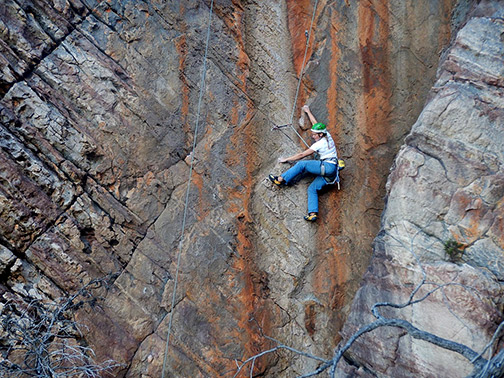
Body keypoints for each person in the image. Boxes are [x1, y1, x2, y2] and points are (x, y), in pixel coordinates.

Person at [269, 105, 338, 222]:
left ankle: (280, 179)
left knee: (302, 165)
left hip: (327, 167)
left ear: (320, 135)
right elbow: (315, 123)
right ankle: (312, 213)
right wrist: (308, 111)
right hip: (332, 173)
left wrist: (286, 159)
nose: (313, 136)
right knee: (312, 188)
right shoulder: (328, 136)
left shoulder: (319, 144)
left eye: (314, 134)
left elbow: (302, 155)